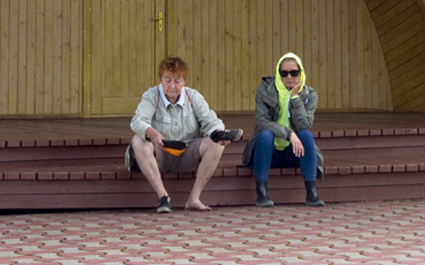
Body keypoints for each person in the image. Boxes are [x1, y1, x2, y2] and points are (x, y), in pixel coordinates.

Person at [127, 56, 243, 212]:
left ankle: (194, 198)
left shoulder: (193, 96)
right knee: (138, 140)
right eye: (167, 80)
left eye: (177, 81)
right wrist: (151, 132)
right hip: (160, 153)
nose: (172, 86)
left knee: (216, 145)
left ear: (184, 81)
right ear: (161, 80)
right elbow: (137, 121)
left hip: (188, 154)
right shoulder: (151, 96)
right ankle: (163, 197)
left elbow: (211, 121)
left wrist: (219, 133)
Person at [242, 51, 323, 207]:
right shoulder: (265, 90)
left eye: (294, 73)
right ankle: (261, 194)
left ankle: (312, 194)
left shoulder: (309, 94)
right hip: (269, 151)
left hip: (294, 152)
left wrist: (295, 98)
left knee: (306, 135)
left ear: (301, 73)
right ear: (278, 74)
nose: (289, 77)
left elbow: (304, 124)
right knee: (265, 135)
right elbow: (262, 122)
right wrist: (289, 134)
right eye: (284, 73)